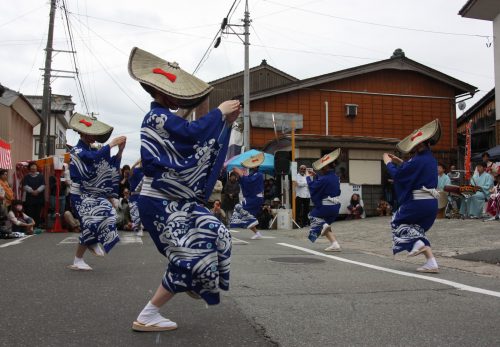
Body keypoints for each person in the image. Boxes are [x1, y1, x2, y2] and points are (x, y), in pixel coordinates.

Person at [128, 47, 239, 332]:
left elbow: (183, 130)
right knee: (190, 257)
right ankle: (149, 314)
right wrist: (218, 114)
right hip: (161, 202)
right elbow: (190, 135)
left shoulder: (163, 118)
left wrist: (215, 120)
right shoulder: (158, 119)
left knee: (218, 234)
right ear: (165, 94)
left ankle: (196, 279)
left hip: (177, 203)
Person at [67, 113, 126, 271]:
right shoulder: (77, 150)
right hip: (79, 194)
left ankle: (88, 248)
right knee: (92, 222)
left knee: (108, 213)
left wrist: (120, 151)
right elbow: (92, 159)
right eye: (92, 134)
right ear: (84, 133)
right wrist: (112, 144)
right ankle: (79, 258)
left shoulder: (91, 150)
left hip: (91, 194)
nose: (95, 137)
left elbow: (106, 166)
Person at [383, 119, 441, 273]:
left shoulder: (418, 160)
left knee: (398, 222)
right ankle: (431, 262)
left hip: (419, 203)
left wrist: (388, 163)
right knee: (416, 230)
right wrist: (401, 162)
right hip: (431, 204)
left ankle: (417, 246)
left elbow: (400, 176)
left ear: (419, 144)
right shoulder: (430, 159)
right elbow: (413, 171)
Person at [307, 149, 342, 251]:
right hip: (335, 207)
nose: (321, 170)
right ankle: (335, 244)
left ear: (326, 166)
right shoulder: (335, 177)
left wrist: (308, 178)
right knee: (325, 226)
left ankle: (323, 226)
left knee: (312, 216)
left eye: (322, 167)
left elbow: (313, 187)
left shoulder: (324, 178)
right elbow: (325, 182)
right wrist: (316, 176)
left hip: (327, 206)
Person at [229, 152, 265, 240]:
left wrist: (240, 173)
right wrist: (239, 175)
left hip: (256, 198)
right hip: (252, 198)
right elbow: (245, 181)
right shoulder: (252, 174)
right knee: (245, 214)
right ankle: (257, 233)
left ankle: (253, 222)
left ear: (256, 166)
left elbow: (249, 182)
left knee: (239, 208)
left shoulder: (259, 174)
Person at [22, 162, 45, 228]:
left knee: (37, 212)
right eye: (32, 167)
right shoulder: (26, 176)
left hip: (39, 197)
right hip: (30, 198)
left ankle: (37, 225)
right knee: (29, 212)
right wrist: (32, 191)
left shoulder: (41, 176)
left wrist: (37, 191)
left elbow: (43, 185)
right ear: (29, 168)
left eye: (34, 167)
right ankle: (30, 225)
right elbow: (25, 186)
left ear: (36, 168)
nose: (33, 168)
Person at [128, 160, 144, 236]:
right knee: (134, 213)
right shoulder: (135, 170)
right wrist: (135, 163)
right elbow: (130, 172)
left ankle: (139, 228)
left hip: (142, 195)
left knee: (140, 213)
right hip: (133, 195)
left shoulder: (146, 171)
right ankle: (138, 227)